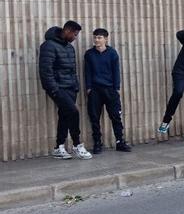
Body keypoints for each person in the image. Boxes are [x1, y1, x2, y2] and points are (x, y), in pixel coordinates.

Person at [40, 21, 92, 159]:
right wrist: (54, 89)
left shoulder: (69, 48)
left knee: (65, 115)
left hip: (70, 88)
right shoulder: (48, 46)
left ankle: (59, 147)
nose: (75, 37)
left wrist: (75, 86)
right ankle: (77, 145)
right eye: (74, 34)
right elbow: (45, 71)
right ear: (67, 30)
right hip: (58, 88)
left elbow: (72, 70)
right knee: (73, 111)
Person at [83, 28, 131, 154]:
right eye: (95, 37)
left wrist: (116, 88)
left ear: (105, 39)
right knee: (94, 117)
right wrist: (88, 88)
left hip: (110, 89)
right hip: (95, 90)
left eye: (99, 38)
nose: (96, 40)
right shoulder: (89, 54)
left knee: (116, 116)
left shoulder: (112, 53)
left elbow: (116, 71)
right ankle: (97, 143)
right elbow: (87, 72)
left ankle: (120, 141)